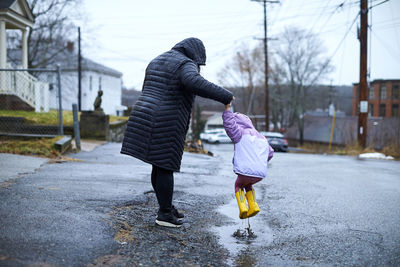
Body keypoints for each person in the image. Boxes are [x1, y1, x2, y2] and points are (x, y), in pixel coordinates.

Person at [121, 38, 234, 228]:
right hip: (164, 118)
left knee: (158, 165)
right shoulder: (185, 63)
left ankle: (166, 207)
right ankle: (164, 214)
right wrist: (225, 96)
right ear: (196, 55)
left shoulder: (158, 59)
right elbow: (193, 81)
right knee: (165, 165)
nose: (198, 67)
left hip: (144, 113)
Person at [222, 102, 274, 219]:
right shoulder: (261, 137)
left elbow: (229, 126)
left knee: (238, 185)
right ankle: (253, 206)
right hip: (259, 174)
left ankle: (243, 209)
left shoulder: (239, 133)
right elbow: (270, 152)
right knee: (248, 185)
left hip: (244, 171)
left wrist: (227, 110)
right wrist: (260, 162)